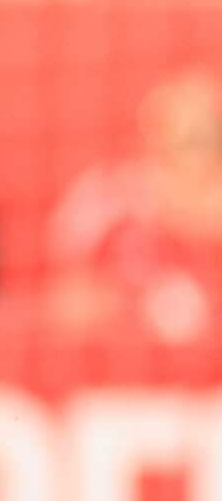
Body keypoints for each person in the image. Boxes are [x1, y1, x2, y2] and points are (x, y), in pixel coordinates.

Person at [49, 68, 222, 343]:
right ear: (156, 136)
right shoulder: (110, 195)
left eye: (208, 134)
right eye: (187, 137)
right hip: (131, 355)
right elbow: (71, 302)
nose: (198, 149)